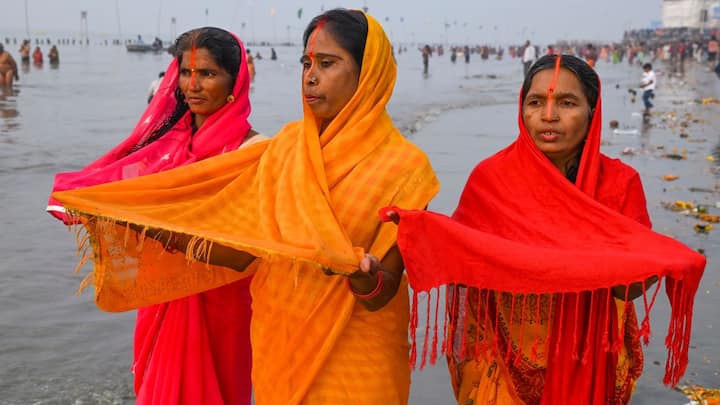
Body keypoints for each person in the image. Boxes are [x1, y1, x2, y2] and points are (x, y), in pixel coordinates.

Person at [53, 9, 439, 404]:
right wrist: (138, 219)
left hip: (359, 364)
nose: (310, 76)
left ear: (367, 73)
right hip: (278, 353)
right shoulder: (286, 150)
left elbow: (382, 291)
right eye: (306, 63)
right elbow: (240, 254)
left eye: (327, 63)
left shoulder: (404, 169)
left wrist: (363, 277)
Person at [380, 54, 705, 404]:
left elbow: (629, 293)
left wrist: (654, 264)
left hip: (590, 355)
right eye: (536, 102)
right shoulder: (492, 180)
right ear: (522, 109)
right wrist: (423, 231)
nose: (549, 115)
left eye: (567, 103)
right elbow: (466, 255)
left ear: (592, 112)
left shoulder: (619, 184)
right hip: (502, 356)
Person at [48, 27, 264, 404]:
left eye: (208, 74)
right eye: (185, 73)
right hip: (164, 300)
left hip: (224, 302)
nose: (192, 85)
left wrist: (164, 232)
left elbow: (253, 248)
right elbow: (122, 187)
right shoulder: (163, 150)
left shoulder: (255, 151)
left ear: (236, 80)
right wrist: (94, 204)